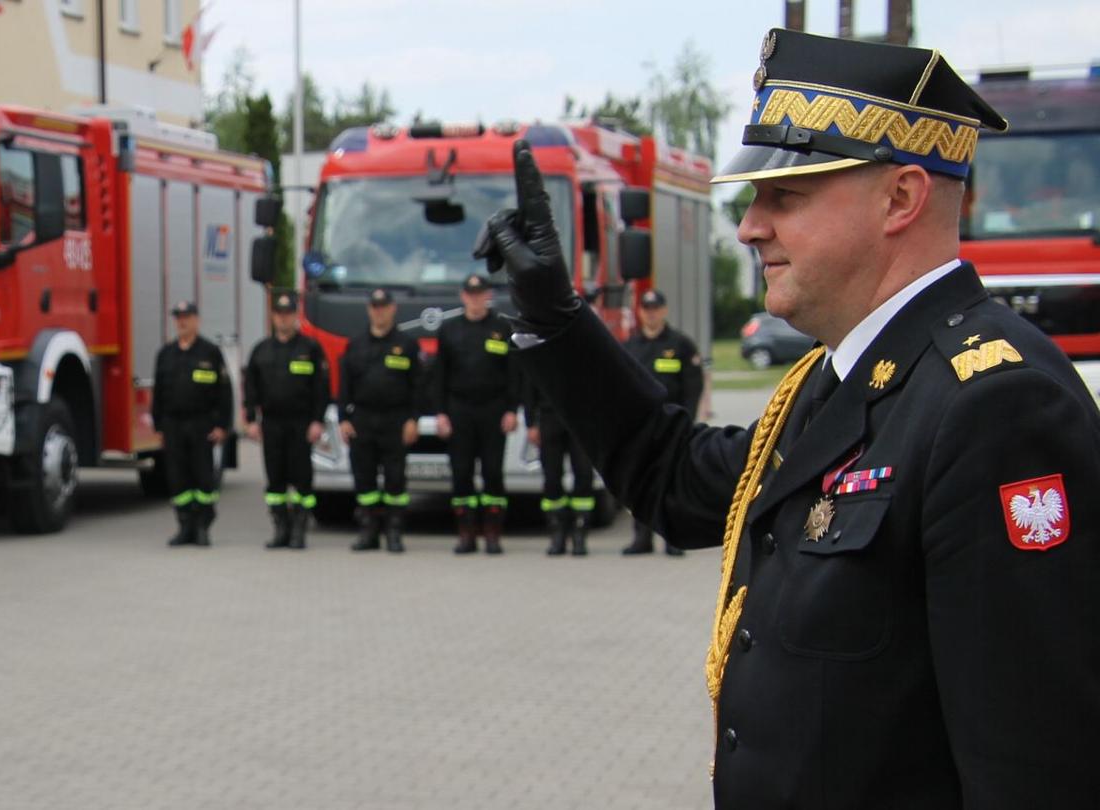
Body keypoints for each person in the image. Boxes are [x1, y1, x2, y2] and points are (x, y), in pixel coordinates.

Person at [477, 28, 1100, 806]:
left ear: (900, 198)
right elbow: (673, 478)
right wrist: (559, 323)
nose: (749, 226)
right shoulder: (833, 376)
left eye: (786, 196)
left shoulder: (994, 404)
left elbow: (1035, 769)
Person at [431, 273, 520, 554]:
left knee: (493, 472)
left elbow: (514, 374)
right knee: (461, 473)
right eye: (470, 294)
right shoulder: (449, 330)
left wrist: (511, 410)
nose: (475, 299)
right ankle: (466, 534)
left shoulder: (502, 328)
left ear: (488, 295)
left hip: (494, 410)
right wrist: (441, 414)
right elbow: (438, 377)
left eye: (480, 293)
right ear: (463, 297)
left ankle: (492, 533)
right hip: (460, 410)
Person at [337, 287, 424, 553]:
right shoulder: (356, 345)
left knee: (396, 480)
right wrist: (343, 419)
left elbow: (417, 387)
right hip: (362, 419)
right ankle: (369, 532)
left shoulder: (407, 346)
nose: (380, 312)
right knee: (364, 481)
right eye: (375, 307)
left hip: (395, 420)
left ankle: (394, 533)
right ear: (369, 310)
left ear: (392, 309)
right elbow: (344, 386)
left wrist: (413, 419)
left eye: (384, 307)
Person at [241, 290, 330, 550]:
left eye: (288, 314)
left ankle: (300, 529)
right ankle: (281, 528)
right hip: (272, 424)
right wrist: (250, 419)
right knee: (275, 479)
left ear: (295, 316)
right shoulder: (261, 350)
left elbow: (321, 388)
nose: (283, 319)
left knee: (302, 477)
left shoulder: (310, 348)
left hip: (301, 424)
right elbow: (251, 389)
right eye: (279, 314)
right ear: (273, 317)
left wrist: (318, 421)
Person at [618, 289, 702, 556]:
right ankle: (641, 539)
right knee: (641, 484)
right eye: (646, 308)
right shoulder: (630, 346)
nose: (651, 313)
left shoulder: (680, 345)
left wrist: (688, 419)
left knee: (672, 484)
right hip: (641, 426)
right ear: (640, 312)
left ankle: (673, 540)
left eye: (656, 308)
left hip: (672, 425)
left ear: (663, 311)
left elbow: (692, 386)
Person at [149, 300, 231, 547]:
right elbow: (159, 392)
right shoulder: (166, 354)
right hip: (173, 424)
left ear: (197, 320)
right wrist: (158, 426)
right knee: (177, 478)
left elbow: (224, 392)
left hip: (201, 424)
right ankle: (185, 526)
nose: (182, 322)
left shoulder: (209, 352)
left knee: (203, 478)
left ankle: (203, 525)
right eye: (178, 317)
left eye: (186, 317)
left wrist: (222, 426)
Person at [522, 370, 595, 556]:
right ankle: (558, 533)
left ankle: (579, 534)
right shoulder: (543, 347)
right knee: (552, 477)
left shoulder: (587, 349)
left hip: (582, 419)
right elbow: (530, 387)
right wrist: (530, 423)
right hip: (549, 418)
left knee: (584, 474)